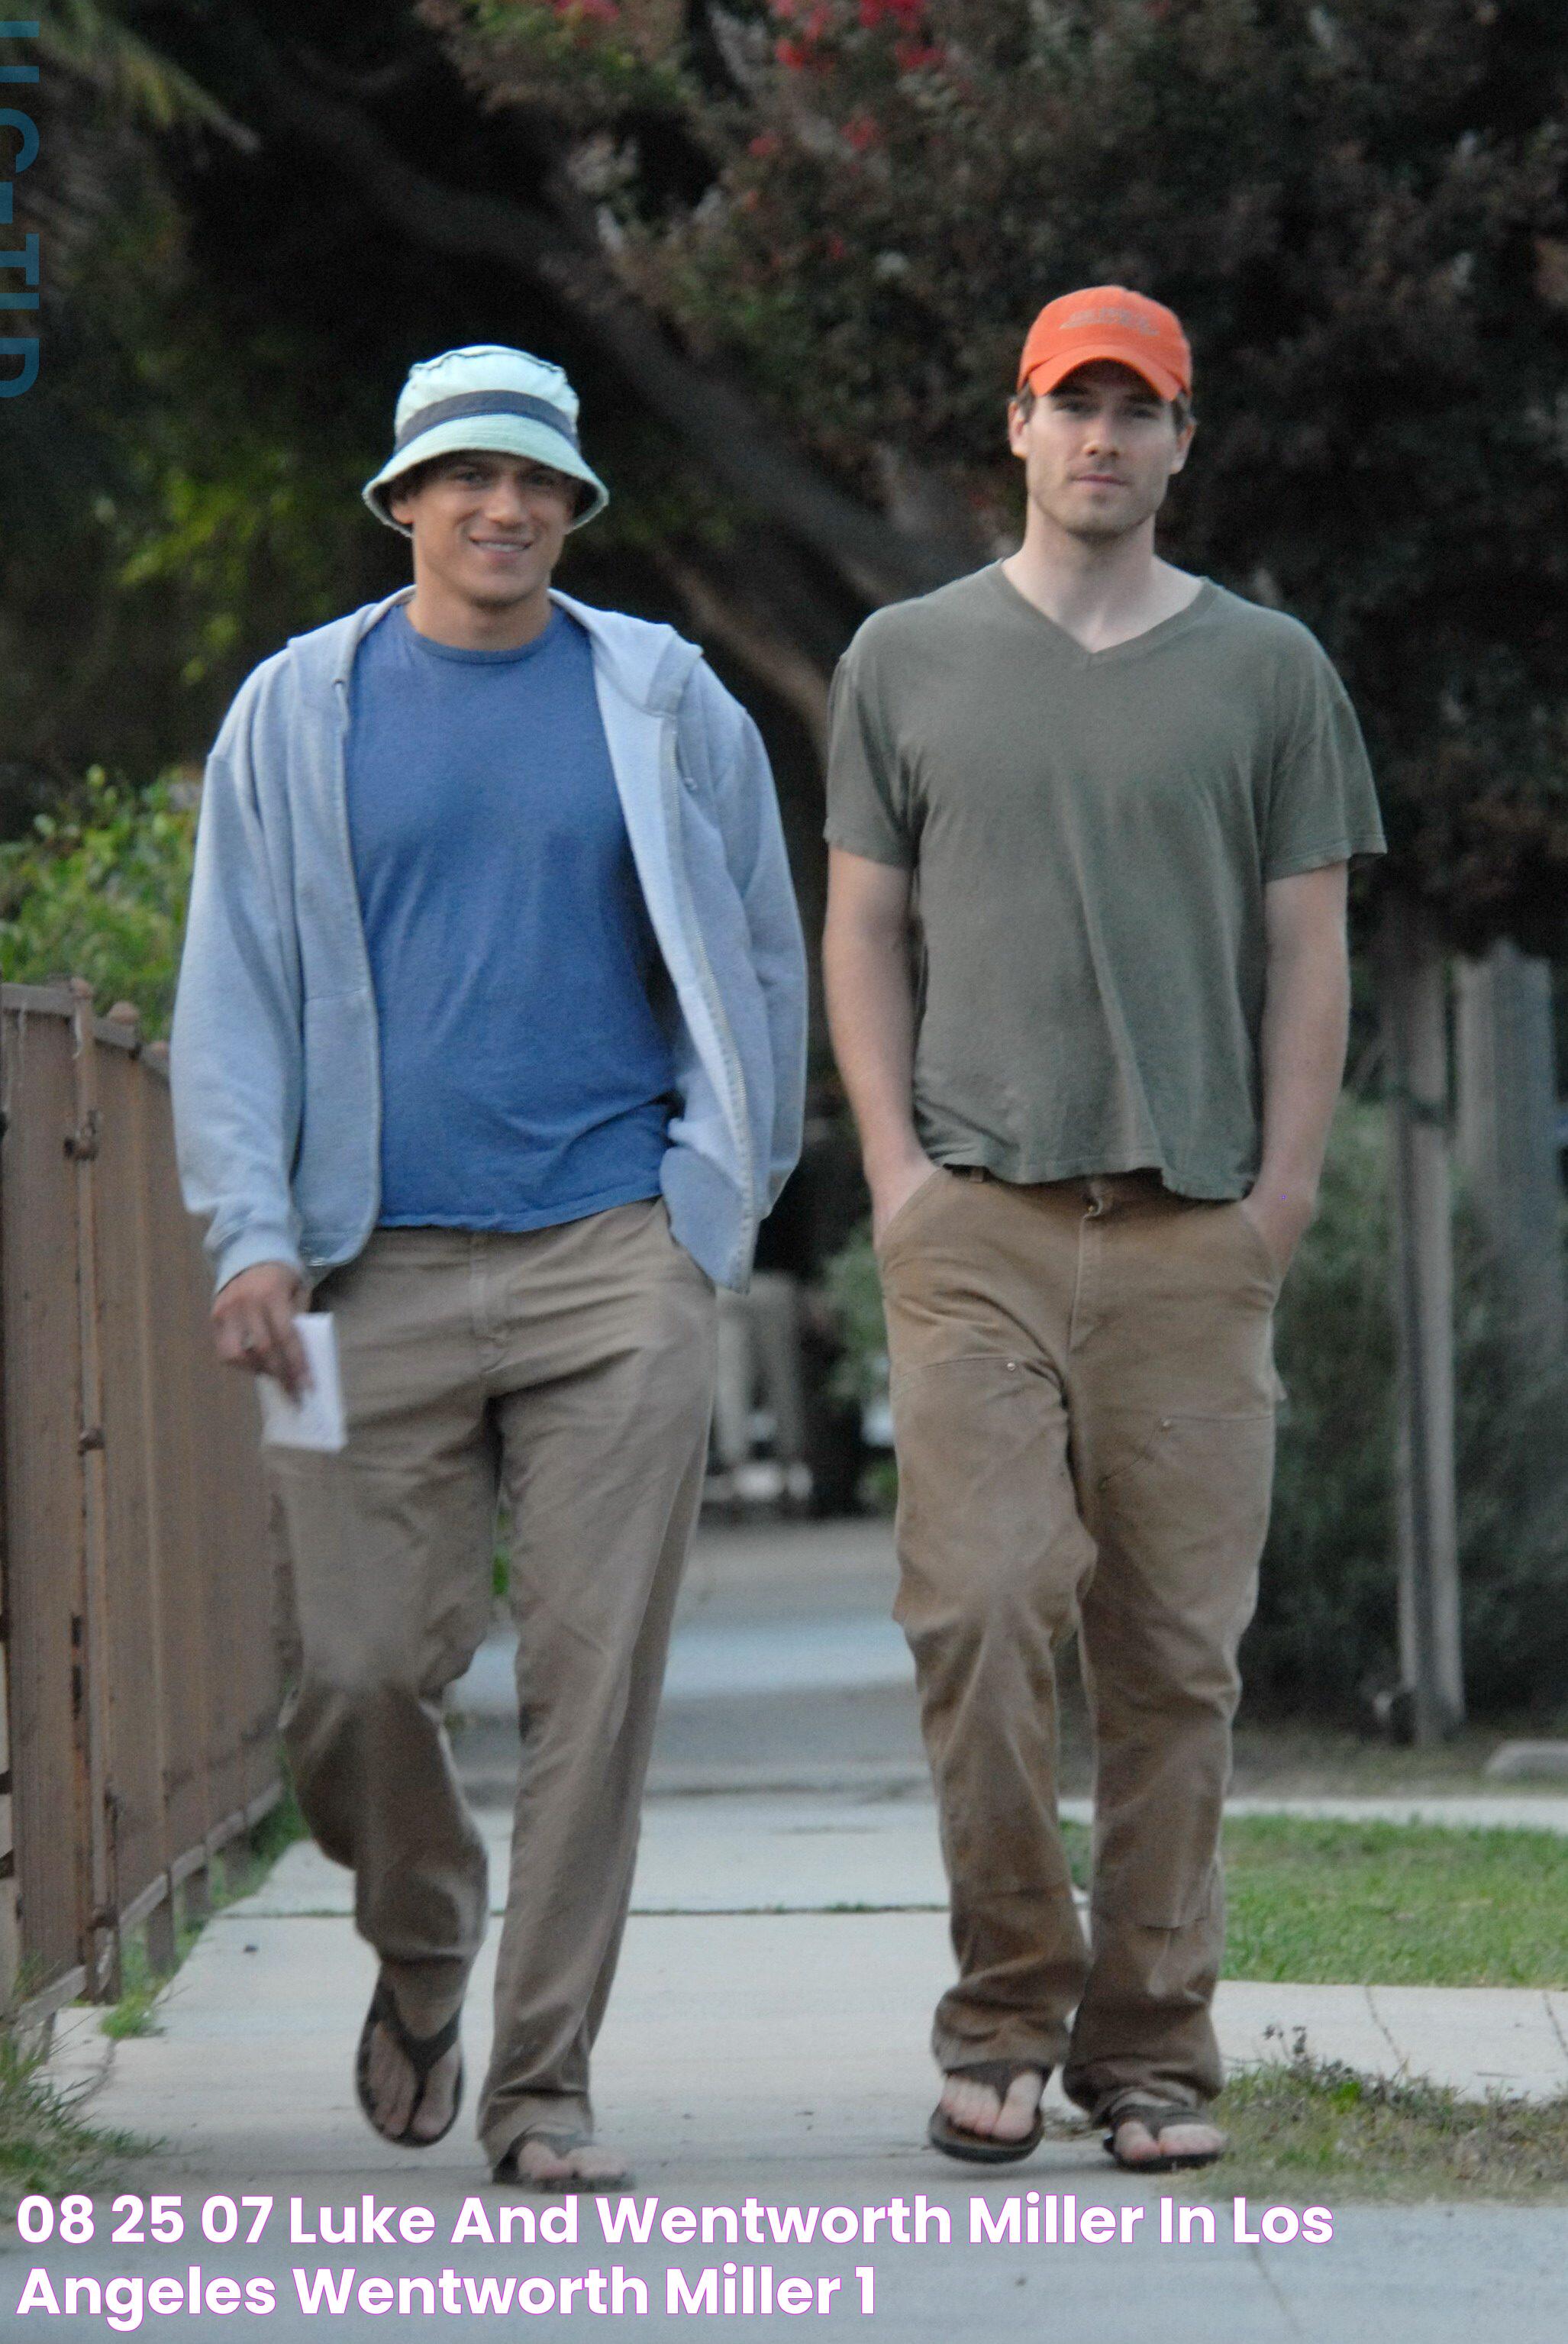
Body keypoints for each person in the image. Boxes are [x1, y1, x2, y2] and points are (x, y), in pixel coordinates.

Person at [171, 343, 807, 2189]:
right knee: (356, 1676)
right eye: (465, 478)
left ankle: (542, 2090)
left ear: (573, 506)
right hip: (362, 1270)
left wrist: (720, 1192)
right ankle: (424, 1931)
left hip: (615, 1255)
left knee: (593, 1696)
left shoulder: (663, 695)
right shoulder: (296, 711)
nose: (503, 507)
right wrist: (253, 1233)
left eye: (535, 481)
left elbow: (755, 954)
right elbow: (235, 1002)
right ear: (402, 502)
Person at [822, 288, 1384, 2173]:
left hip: (1191, 1226)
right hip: (973, 1214)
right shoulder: (904, 657)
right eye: (1075, 405)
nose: (1104, 439)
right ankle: (1001, 2009)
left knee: (1175, 1657)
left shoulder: (1269, 670)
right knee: (976, 1610)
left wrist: (1279, 1201)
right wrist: (896, 1172)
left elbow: (1309, 952)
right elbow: (862, 927)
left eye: (1138, 410)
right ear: (1018, 426)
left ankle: (1146, 2047)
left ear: (1179, 442)